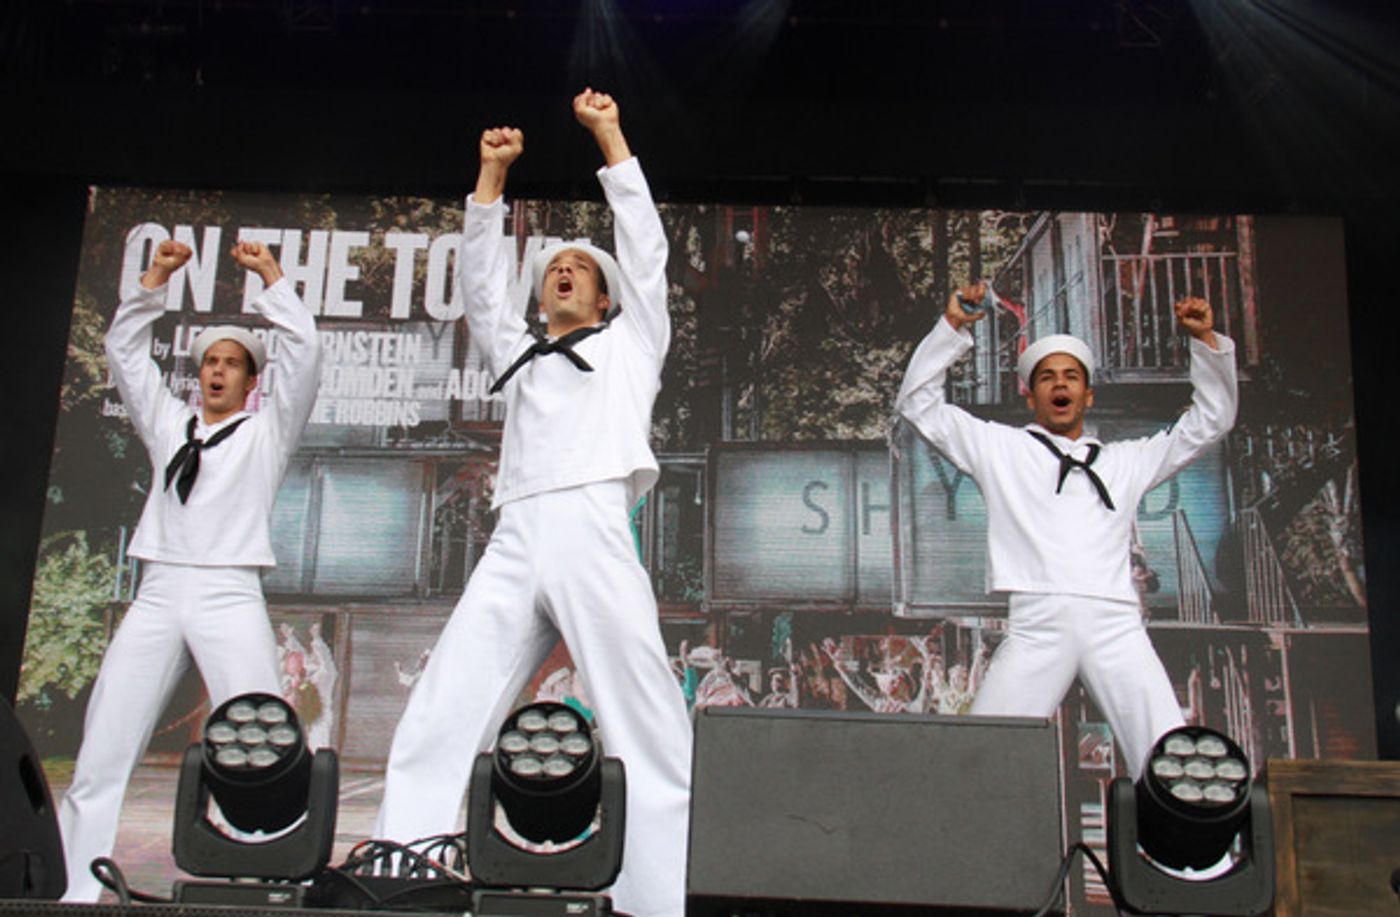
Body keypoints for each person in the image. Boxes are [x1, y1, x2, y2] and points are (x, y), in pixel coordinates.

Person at [374, 89, 692, 917]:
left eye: (582, 267)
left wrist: (610, 135)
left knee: (643, 721)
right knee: (445, 705)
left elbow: (648, 252)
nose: (564, 268)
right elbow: (483, 291)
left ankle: (656, 902)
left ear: (607, 300)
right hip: (517, 536)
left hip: (592, 528)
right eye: (555, 263)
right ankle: (398, 879)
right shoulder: (519, 354)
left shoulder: (633, 344)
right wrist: (490, 179)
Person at [59, 239, 323, 901]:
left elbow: (306, 355)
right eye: (210, 360)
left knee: (258, 740)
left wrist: (269, 276)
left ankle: (267, 879)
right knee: (104, 741)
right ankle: (72, 888)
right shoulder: (170, 424)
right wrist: (154, 279)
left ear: (250, 379)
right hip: (159, 588)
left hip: (229, 589)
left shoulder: (267, 432)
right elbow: (125, 355)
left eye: (233, 363)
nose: (217, 371)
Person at [894, 283, 1236, 776]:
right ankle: (967, 851)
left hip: (1116, 623)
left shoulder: (1127, 460)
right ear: (1031, 394)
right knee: (983, 757)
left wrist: (1206, 343)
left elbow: (1211, 422)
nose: (1060, 385)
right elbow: (919, 405)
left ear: (1086, 393)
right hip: (1038, 623)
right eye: (1047, 377)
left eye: (1071, 377)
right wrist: (951, 329)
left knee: (1171, 759)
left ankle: (1203, 857)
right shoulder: (1000, 449)